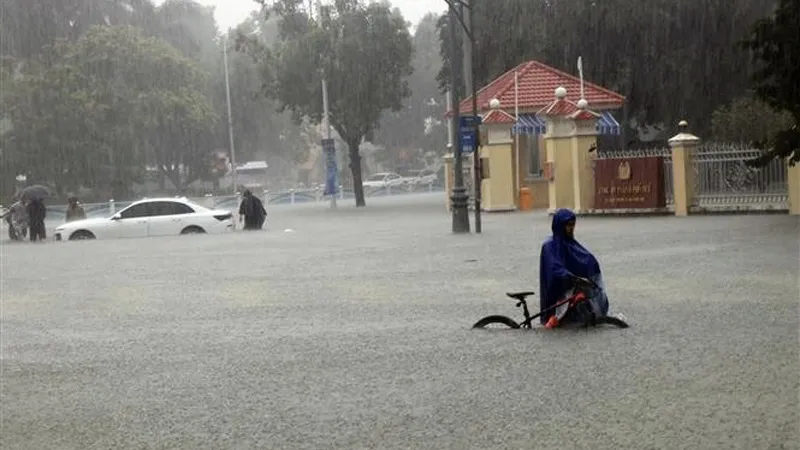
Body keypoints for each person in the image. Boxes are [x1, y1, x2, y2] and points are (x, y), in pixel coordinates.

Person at [539, 208, 609, 328]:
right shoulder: (549, 246)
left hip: (570, 284)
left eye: (573, 225)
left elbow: (584, 258)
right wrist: (571, 276)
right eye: (568, 225)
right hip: (556, 289)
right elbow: (555, 268)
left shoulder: (570, 243)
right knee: (557, 317)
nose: (571, 228)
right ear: (560, 226)